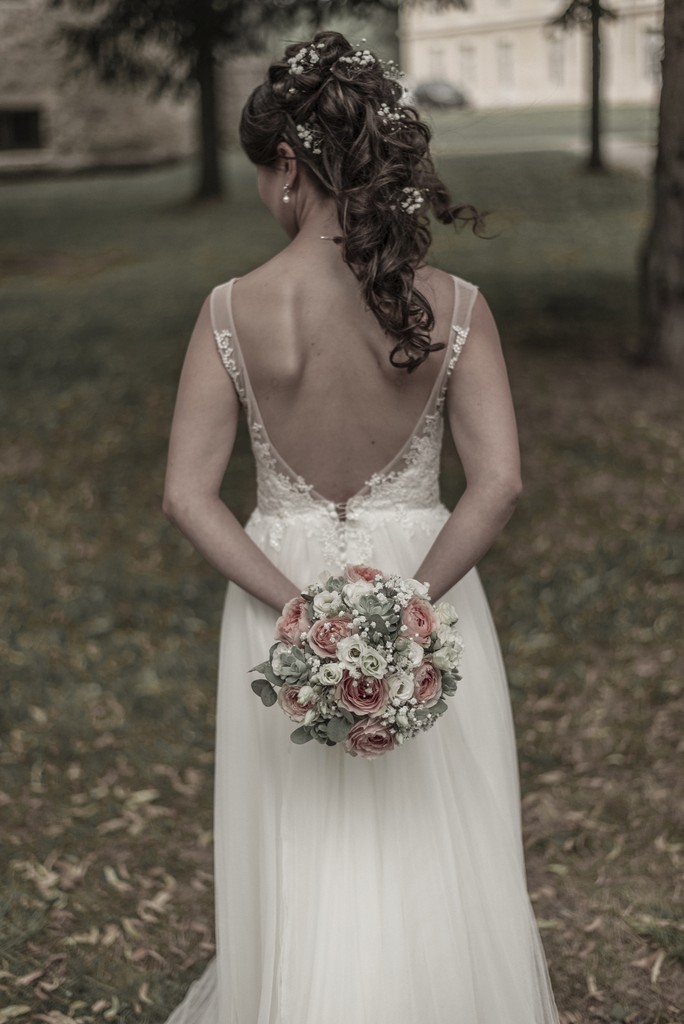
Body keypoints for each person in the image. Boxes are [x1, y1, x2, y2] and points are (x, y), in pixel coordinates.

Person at [161, 30, 560, 1024]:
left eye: (264, 176)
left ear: (288, 166)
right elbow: (499, 483)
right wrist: (407, 609)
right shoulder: (454, 305)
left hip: (278, 599)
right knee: (432, 824)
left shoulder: (229, 311)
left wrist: (302, 612)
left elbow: (188, 496)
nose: (265, 193)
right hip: (429, 584)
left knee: (299, 833)